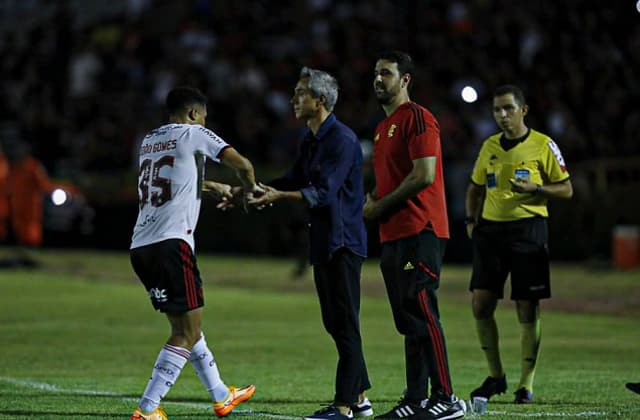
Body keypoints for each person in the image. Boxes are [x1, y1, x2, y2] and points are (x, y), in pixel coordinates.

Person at [129, 86, 259, 420]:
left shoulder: (150, 140)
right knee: (185, 332)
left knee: (190, 326)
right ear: (193, 114)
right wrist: (248, 189)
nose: (204, 122)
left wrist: (211, 186)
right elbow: (241, 163)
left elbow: (169, 178)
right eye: (203, 117)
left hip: (142, 246)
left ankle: (220, 395)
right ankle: (147, 408)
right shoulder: (194, 132)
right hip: (172, 244)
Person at [249, 67, 372, 420]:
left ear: (320, 100)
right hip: (324, 240)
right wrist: (257, 189)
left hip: (343, 242)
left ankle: (344, 407)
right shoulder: (312, 138)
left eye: (301, 93)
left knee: (345, 325)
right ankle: (360, 397)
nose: (293, 99)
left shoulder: (342, 140)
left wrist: (279, 195)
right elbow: (295, 179)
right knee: (335, 323)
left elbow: (322, 193)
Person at [363, 50, 465, 420]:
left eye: (386, 73)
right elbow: (391, 177)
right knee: (408, 317)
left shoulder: (419, 118)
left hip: (420, 229)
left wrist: (380, 205)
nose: (378, 79)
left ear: (405, 80)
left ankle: (446, 397)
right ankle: (416, 399)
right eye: (376, 72)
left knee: (422, 307)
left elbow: (424, 174)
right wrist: (373, 200)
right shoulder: (380, 128)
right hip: (393, 234)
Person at [464, 84, 573, 405]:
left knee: (527, 305)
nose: (502, 115)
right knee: (481, 303)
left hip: (529, 231)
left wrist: (536, 188)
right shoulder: (490, 146)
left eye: (509, 108)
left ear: (523, 110)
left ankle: (526, 383)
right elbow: (474, 188)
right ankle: (496, 376)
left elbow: (567, 189)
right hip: (492, 233)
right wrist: (471, 222)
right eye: (497, 110)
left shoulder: (544, 145)